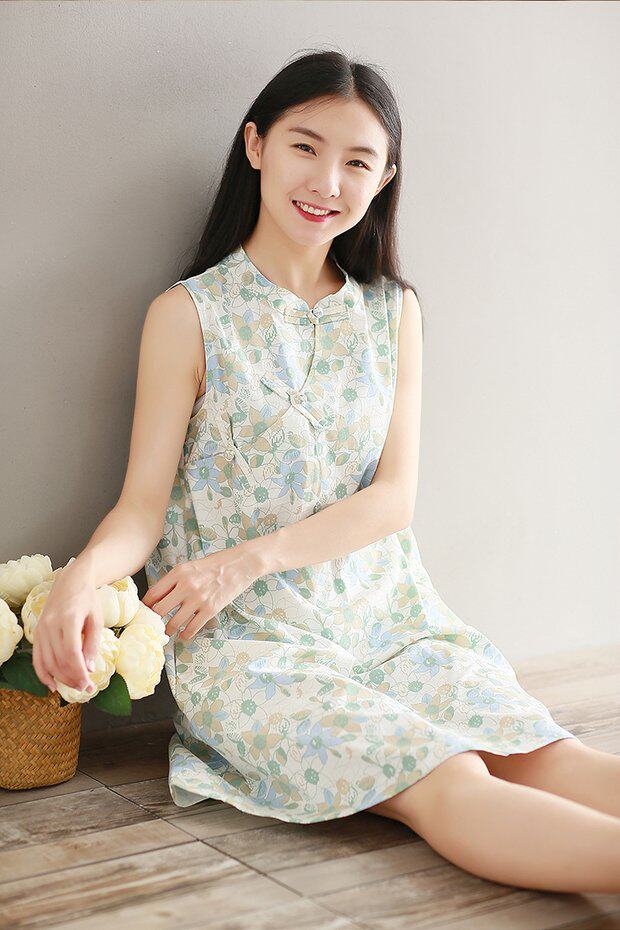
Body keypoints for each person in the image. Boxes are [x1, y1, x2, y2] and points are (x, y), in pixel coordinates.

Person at [33, 50, 620, 894]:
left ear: (386, 179)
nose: (328, 182)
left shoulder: (393, 311)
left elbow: (393, 499)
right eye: (305, 147)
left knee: (542, 751)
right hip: (250, 649)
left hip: (393, 620)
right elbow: (140, 509)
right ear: (256, 146)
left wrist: (248, 558)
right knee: (448, 776)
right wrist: (81, 579)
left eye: (358, 162)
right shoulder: (188, 315)